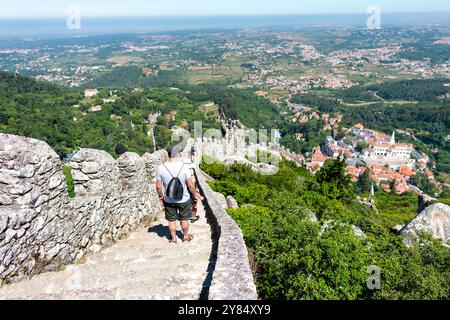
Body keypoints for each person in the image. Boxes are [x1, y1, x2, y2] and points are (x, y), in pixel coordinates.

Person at [156, 144, 200, 244]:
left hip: (169, 199)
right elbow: (190, 184)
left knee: (171, 220)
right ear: (177, 154)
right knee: (184, 219)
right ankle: (185, 236)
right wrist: (194, 194)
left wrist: (161, 197)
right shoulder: (184, 167)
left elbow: (158, 186)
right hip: (183, 199)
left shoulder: (161, 168)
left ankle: (173, 239)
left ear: (168, 154)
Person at [183, 157, 204, 223]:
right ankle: (193, 217)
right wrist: (196, 194)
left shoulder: (181, 172)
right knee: (194, 204)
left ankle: (183, 217)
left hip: (183, 192)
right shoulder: (190, 174)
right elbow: (191, 185)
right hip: (190, 191)